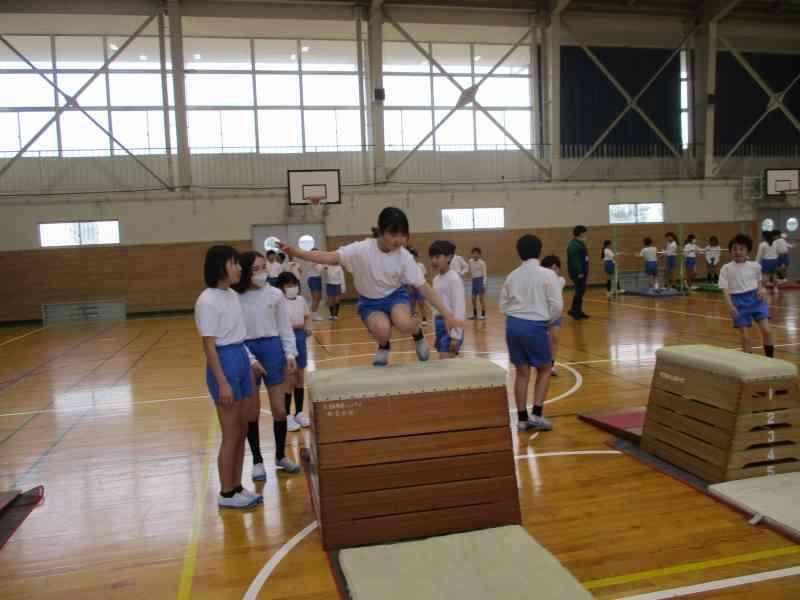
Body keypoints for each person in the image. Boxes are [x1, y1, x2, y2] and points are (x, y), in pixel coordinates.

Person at [278, 207, 462, 367]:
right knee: (383, 329)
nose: (399, 240)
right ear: (381, 232)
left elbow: (425, 288)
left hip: (395, 296)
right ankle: (384, 346)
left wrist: (448, 315)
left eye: (403, 235)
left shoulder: (404, 257)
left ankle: (418, 334)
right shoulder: (361, 250)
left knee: (403, 322)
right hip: (370, 302)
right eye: (393, 235)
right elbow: (329, 257)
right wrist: (297, 252)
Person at [195, 245, 266, 509]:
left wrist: (251, 361)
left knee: (243, 429)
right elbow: (209, 346)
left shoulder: (232, 296)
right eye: (234, 263)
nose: (239, 268)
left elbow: (238, 336)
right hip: (223, 362)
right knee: (230, 433)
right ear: (220, 267)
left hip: (240, 358)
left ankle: (236, 486)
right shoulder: (207, 301)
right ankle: (226, 493)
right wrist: (223, 382)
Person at [233, 251, 301, 476]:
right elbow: (234, 334)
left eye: (263, 267)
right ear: (245, 272)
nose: (261, 272)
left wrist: (290, 354)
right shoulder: (235, 297)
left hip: (273, 349)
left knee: (280, 410)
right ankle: (257, 461)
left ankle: (280, 456)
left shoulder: (275, 294)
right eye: (256, 269)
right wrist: (251, 360)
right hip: (247, 351)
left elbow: (284, 327)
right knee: (251, 412)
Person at [501, 234, 563, 432]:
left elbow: (503, 304)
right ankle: (536, 414)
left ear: (518, 253)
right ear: (539, 250)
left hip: (513, 325)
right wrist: (547, 322)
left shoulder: (512, 275)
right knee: (545, 369)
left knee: (521, 372)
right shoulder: (548, 275)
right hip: (535, 326)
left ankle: (521, 419)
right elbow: (557, 306)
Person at [719, 234, 774, 357]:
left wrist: (761, 289)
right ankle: (748, 362)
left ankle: (770, 359)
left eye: (741, 249)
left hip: (756, 300)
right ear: (730, 251)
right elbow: (725, 290)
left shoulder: (755, 266)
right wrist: (730, 306)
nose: (738, 252)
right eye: (735, 249)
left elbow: (759, 282)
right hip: (738, 302)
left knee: (767, 331)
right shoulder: (726, 268)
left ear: (747, 250)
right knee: (745, 337)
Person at [276, 272, 313, 431]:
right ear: (281, 287)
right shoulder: (279, 302)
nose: (293, 288)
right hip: (286, 338)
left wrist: (307, 327)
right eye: (289, 285)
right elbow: (281, 325)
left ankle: (299, 412)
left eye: (294, 284)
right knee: (289, 378)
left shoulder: (301, 300)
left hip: (300, 337)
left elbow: (306, 316)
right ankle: (287, 415)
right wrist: (295, 326)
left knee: (299, 376)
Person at [429, 241, 465, 359]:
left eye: (437, 257)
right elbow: (435, 308)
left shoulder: (454, 278)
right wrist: (435, 334)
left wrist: (456, 335)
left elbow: (459, 307)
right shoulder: (436, 280)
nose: (434, 261)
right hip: (439, 324)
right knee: (444, 363)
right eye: (432, 257)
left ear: (448, 257)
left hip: (451, 326)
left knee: (446, 360)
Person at [540, 255, 565, 377]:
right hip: (541, 315)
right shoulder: (540, 282)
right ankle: (541, 362)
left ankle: (551, 365)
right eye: (550, 268)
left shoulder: (561, 280)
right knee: (542, 341)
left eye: (555, 268)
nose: (553, 271)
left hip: (555, 315)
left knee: (554, 338)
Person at [567, 225, 589, 320]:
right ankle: (575, 312)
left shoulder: (579, 243)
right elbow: (575, 260)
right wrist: (579, 272)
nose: (586, 235)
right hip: (578, 273)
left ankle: (576, 310)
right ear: (580, 233)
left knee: (580, 291)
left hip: (582, 271)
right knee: (579, 291)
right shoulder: (574, 245)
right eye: (584, 233)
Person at [406, 247, 428, 324]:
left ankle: (424, 318)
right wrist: (408, 287)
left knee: (421, 304)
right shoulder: (407, 267)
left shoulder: (420, 266)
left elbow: (425, 276)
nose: (412, 258)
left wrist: (423, 287)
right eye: (411, 256)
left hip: (420, 288)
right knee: (412, 304)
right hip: (411, 288)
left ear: (416, 257)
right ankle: (412, 317)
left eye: (414, 256)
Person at [468, 247, 488, 321]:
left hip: (480, 280)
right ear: (472, 254)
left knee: (481, 298)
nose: (475, 255)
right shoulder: (470, 261)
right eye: (474, 254)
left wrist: (483, 284)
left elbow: (485, 274)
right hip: (474, 281)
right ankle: (475, 315)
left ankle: (483, 315)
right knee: (473, 299)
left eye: (477, 254)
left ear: (479, 255)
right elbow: (468, 269)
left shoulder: (482, 263)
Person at [307, 249, 325, 321]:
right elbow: (320, 269)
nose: (317, 254)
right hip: (313, 279)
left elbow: (321, 269)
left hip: (317, 279)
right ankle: (313, 315)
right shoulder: (312, 260)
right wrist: (324, 266)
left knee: (318, 298)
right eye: (315, 253)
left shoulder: (317, 260)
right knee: (315, 298)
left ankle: (315, 313)